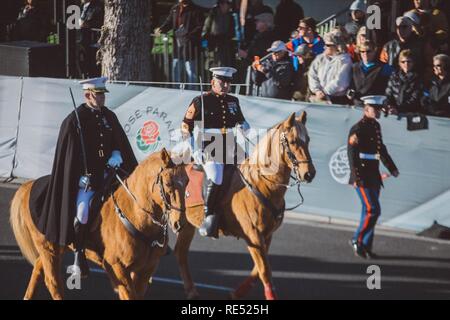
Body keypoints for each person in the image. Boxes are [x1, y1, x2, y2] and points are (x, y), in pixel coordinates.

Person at [30, 77, 138, 277]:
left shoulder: (109, 116)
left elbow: (118, 141)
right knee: (82, 212)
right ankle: (79, 252)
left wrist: (117, 153)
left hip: (110, 173)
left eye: (103, 94)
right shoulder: (74, 120)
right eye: (98, 94)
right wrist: (79, 176)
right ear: (88, 95)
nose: (102, 97)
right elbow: (69, 155)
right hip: (86, 180)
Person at [180, 67, 250, 238]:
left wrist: (244, 126)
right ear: (213, 82)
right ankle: (208, 215)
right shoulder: (200, 101)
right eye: (221, 82)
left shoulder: (233, 101)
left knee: (252, 170)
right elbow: (185, 126)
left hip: (231, 145)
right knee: (216, 176)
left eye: (228, 82)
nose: (225, 85)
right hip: (210, 145)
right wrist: (193, 149)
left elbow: (241, 120)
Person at [347, 95, 399, 259]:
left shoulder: (376, 126)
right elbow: (352, 154)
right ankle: (357, 239)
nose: (378, 112)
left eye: (379, 109)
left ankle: (365, 246)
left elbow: (380, 149)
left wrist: (391, 167)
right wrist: (356, 177)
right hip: (362, 175)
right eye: (374, 109)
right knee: (373, 210)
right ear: (366, 109)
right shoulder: (358, 128)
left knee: (367, 211)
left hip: (373, 174)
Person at [155, 0, 204, 85]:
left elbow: (200, 26)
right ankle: (176, 91)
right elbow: (169, 22)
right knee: (176, 70)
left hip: (190, 47)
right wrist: (162, 29)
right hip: (177, 46)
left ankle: (192, 93)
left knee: (191, 72)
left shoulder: (196, 10)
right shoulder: (175, 8)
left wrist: (188, 35)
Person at [308, 30, 353, 105]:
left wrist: (325, 92)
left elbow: (341, 81)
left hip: (337, 100)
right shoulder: (320, 58)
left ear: (337, 46)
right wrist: (317, 90)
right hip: (319, 97)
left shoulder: (345, 60)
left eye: (328, 45)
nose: (324, 47)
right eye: (325, 44)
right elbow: (312, 74)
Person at [347, 40, 393, 105]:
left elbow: (389, 88)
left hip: (375, 105)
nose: (365, 54)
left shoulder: (385, 67)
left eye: (368, 51)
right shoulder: (354, 67)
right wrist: (350, 92)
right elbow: (351, 85)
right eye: (362, 51)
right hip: (357, 105)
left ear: (374, 51)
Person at [385, 49, 423, 114]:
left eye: (409, 61)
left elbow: (414, 99)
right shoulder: (394, 76)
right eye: (403, 62)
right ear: (399, 63)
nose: (406, 64)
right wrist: (388, 105)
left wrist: (398, 109)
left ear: (413, 62)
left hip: (409, 113)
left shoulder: (418, 78)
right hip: (393, 111)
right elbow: (388, 94)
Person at [202, 0, 235, 69]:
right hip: (213, 46)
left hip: (224, 46)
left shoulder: (230, 16)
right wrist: (205, 46)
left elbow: (232, 32)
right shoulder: (212, 15)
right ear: (221, 4)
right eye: (227, 4)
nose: (229, 6)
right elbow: (204, 33)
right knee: (212, 67)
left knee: (223, 66)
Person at [76, 0, 104, 78]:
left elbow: (101, 22)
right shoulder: (81, 6)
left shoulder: (98, 6)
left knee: (93, 68)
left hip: (92, 43)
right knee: (82, 65)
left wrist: (89, 24)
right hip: (82, 41)